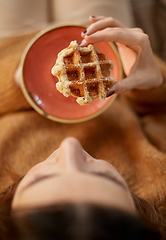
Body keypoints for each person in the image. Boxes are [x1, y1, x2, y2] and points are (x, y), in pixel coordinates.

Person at [0, 15, 166, 239]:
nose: (70, 146)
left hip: (13, 39)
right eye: (104, 176)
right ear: (140, 212)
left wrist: (18, 81)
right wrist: (153, 85)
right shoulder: (159, 181)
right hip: (107, 46)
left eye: (43, 178)